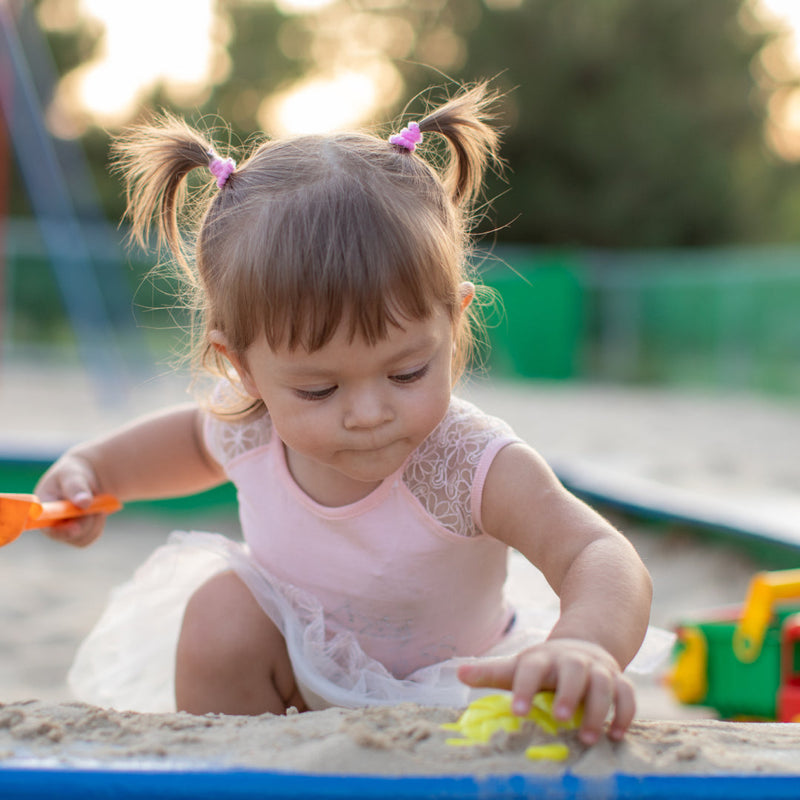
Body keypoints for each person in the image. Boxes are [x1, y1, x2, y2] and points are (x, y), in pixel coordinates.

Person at [36, 83, 658, 746]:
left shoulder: (465, 463)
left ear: (454, 323)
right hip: (304, 678)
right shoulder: (249, 428)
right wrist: (89, 472)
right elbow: (172, 448)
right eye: (317, 390)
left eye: (406, 372)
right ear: (241, 366)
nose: (368, 413)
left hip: (453, 697)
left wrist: (583, 645)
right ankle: (238, 768)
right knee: (221, 613)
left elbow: (595, 551)